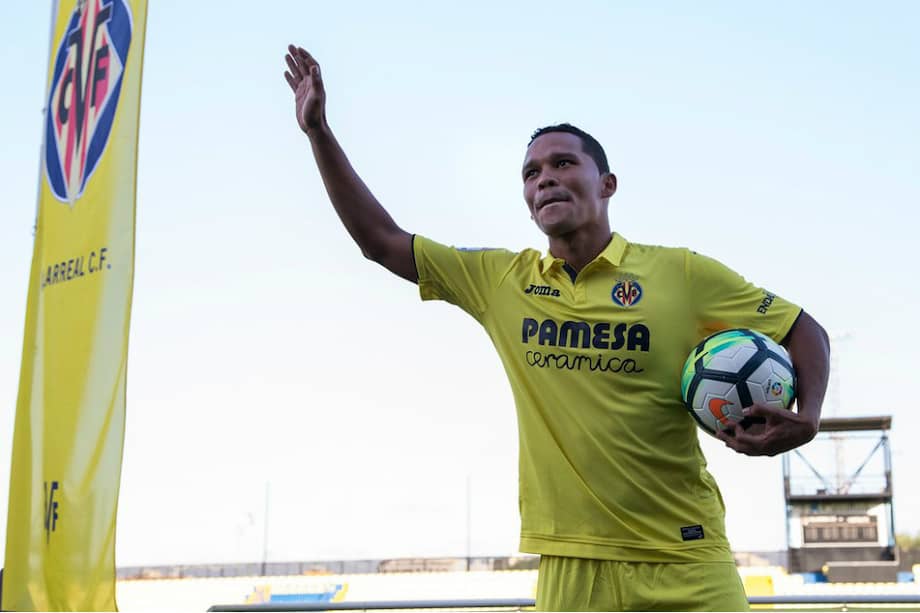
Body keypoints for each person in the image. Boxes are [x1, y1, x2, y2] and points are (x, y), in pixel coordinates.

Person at [283, 45, 830, 612]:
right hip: (572, 567)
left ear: (607, 184)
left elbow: (802, 328)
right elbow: (381, 241)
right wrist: (319, 133)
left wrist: (808, 416)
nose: (545, 179)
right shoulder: (501, 281)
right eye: (531, 173)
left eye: (564, 164)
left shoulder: (681, 274)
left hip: (688, 558)